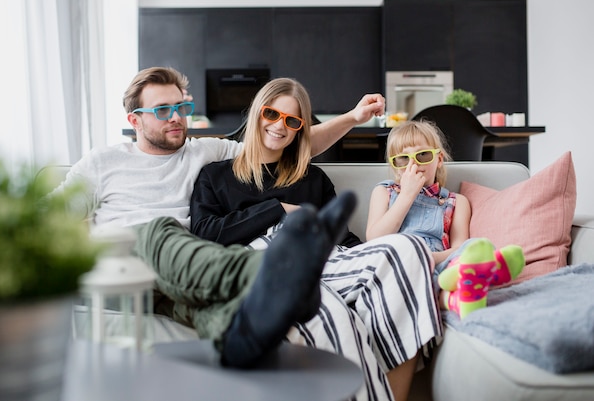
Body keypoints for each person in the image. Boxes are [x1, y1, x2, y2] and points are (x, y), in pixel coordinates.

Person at [51, 67, 392, 397]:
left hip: (180, 276)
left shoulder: (203, 151)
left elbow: (286, 140)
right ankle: (267, 274)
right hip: (126, 264)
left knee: (221, 317)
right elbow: (47, 215)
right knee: (160, 230)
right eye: (163, 109)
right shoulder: (101, 162)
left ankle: (247, 331)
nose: (176, 117)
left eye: (181, 107)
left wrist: (353, 117)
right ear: (134, 120)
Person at [190, 78, 442, 401]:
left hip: (326, 259)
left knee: (406, 250)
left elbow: (344, 242)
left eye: (292, 121)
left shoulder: (313, 178)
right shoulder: (216, 176)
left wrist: (381, 256)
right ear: (257, 113)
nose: (279, 127)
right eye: (272, 114)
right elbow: (206, 233)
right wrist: (277, 210)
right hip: (266, 262)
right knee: (331, 314)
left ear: (300, 130)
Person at [366, 120, 524, 319]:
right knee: (411, 272)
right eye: (403, 159)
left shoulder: (456, 201)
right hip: (400, 261)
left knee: (475, 246)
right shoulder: (384, 192)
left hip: (440, 262)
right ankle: (475, 280)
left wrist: (429, 259)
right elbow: (374, 240)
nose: (413, 165)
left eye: (423, 155)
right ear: (395, 166)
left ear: (439, 159)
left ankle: (472, 274)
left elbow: (458, 248)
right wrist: (406, 196)